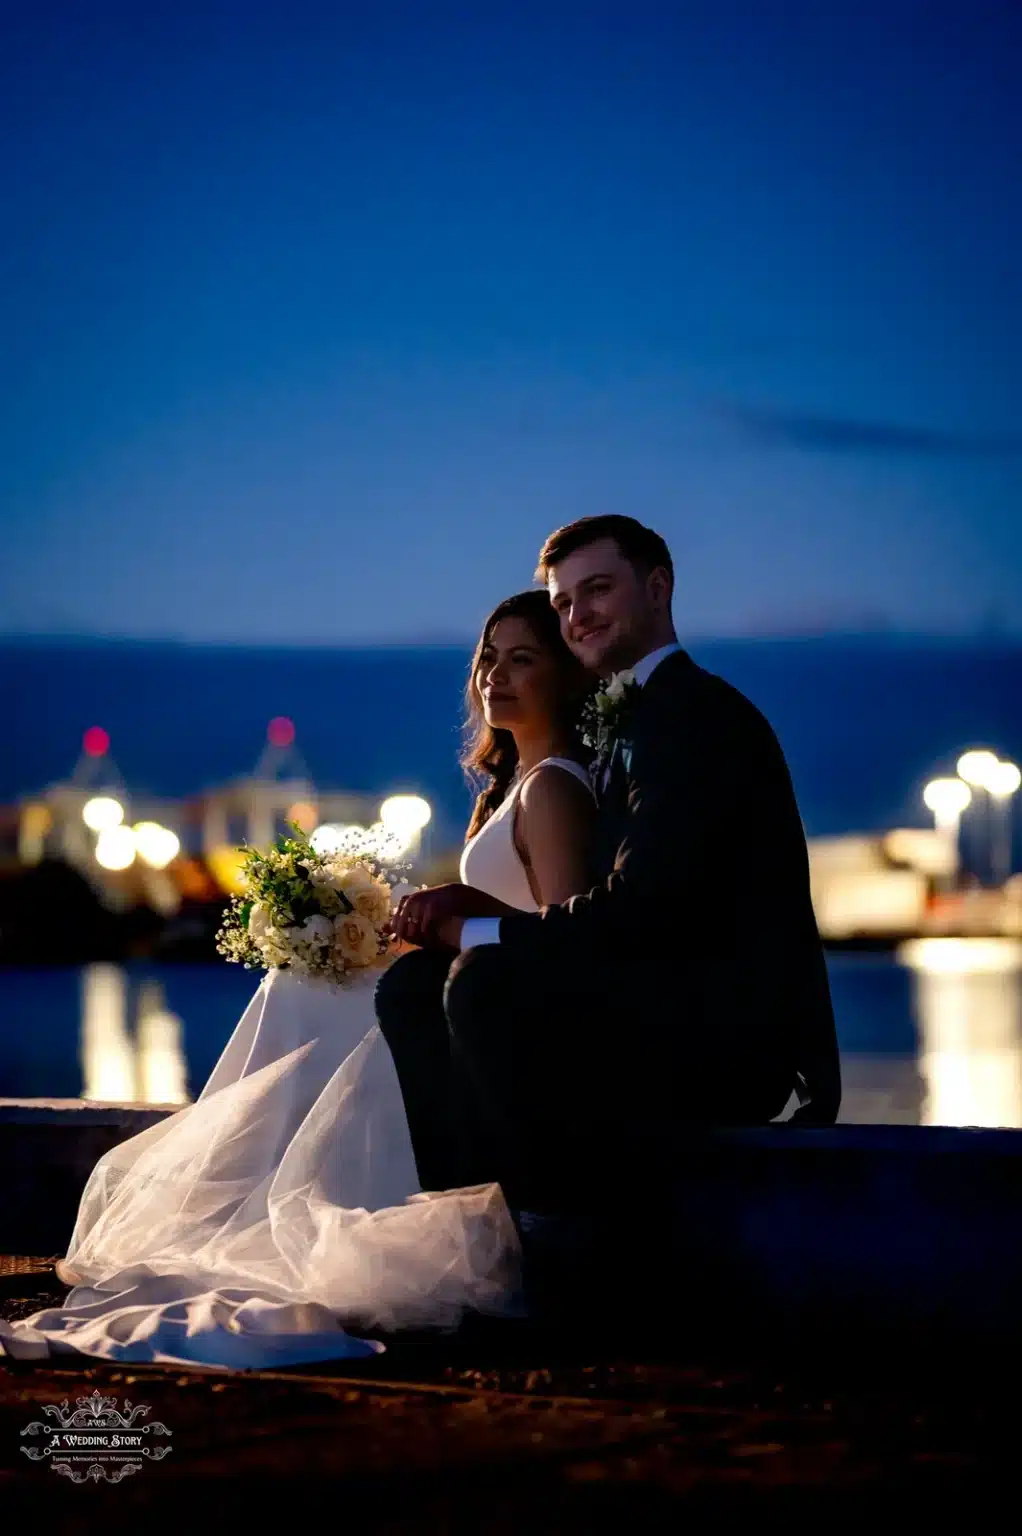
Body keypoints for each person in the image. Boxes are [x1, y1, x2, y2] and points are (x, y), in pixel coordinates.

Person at [0, 590, 599, 1368]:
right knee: (300, 983)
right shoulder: (506, 789)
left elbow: (559, 930)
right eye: (488, 657)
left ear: (566, 675)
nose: (496, 676)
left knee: (306, 995)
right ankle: (250, 1212)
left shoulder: (553, 786)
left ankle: (262, 1214)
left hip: (486, 1009)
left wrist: (447, 916)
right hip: (453, 984)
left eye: (524, 659)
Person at [380, 515, 841, 1216]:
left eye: (596, 590)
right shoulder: (631, 717)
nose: (577, 616)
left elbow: (644, 905)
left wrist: (474, 931)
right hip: (657, 1000)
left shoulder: (694, 716)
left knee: (482, 983)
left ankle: (558, 1236)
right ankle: (464, 1219)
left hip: (724, 1037)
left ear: (658, 588)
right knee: (415, 984)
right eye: (563, 602)